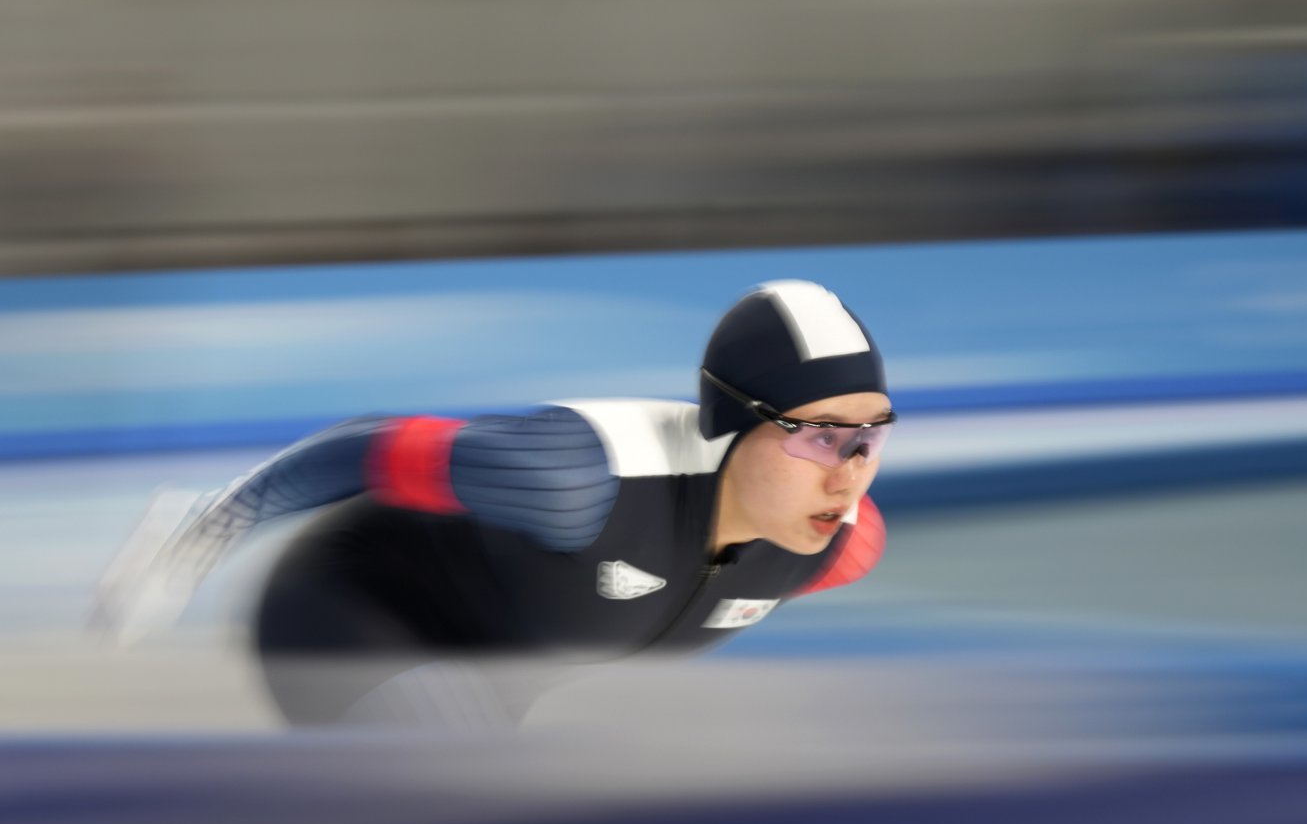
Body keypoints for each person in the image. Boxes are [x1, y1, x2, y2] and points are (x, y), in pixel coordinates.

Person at [91, 280, 892, 727]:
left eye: (870, 438)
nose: (848, 473)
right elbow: (367, 446)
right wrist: (205, 532)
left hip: (493, 678)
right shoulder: (580, 478)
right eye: (820, 434)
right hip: (351, 607)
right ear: (730, 422)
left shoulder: (836, 545)